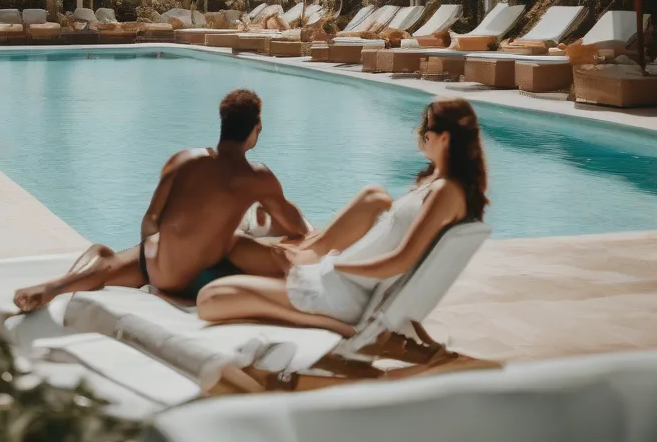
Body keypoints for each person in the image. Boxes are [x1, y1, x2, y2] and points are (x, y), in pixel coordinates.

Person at [196, 98, 489, 334]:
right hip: (336, 277)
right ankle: (309, 263)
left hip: (341, 291)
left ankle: (330, 326)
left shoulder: (445, 192)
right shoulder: (441, 187)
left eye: (426, 129)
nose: (420, 134)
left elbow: (401, 260)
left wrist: (343, 267)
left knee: (209, 300)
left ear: (445, 138)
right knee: (218, 289)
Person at [12, 89, 309, 312]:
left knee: (103, 253)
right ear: (255, 129)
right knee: (255, 250)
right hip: (193, 280)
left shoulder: (183, 160)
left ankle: (55, 288)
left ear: (223, 124)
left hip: (155, 261)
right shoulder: (257, 177)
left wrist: (162, 251)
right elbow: (295, 228)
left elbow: (150, 220)